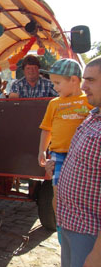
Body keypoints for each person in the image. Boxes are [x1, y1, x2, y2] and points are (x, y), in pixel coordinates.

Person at [51, 56, 101, 267]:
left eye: (90, 80)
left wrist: (98, 254)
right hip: (71, 224)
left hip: (89, 233)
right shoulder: (92, 116)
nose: (83, 86)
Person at [37, 58, 92, 243]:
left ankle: (83, 226)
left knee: (82, 192)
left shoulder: (89, 101)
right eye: (53, 83)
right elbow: (47, 129)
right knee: (58, 191)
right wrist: (42, 151)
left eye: (58, 83)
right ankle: (62, 226)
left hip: (82, 156)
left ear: (74, 80)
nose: (55, 87)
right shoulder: (54, 104)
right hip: (59, 155)